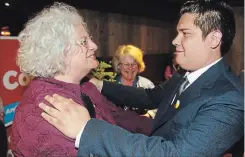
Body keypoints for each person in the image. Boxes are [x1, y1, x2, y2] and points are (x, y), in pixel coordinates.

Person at [39, 0, 244, 156]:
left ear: (214, 39)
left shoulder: (229, 100)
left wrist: (87, 129)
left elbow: (173, 154)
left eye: (185, 33)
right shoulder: (185, 74)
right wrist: (100, 85)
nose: (175, 40)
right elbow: (150, 97)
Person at [11, 2, 152, 157]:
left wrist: (167, 128)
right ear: (60, 51)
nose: (94, 45)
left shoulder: (85, 86)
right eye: (84, 41)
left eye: (89, 38)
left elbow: (119, 117)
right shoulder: (47, 107)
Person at [112, 44, 156, 117]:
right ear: (118, 66)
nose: (130, 68)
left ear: (139, 66)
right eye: (126, 64)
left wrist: (149, 115)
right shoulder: (111, 85)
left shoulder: (147, 84)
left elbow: (157, 107)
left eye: (134, 64)